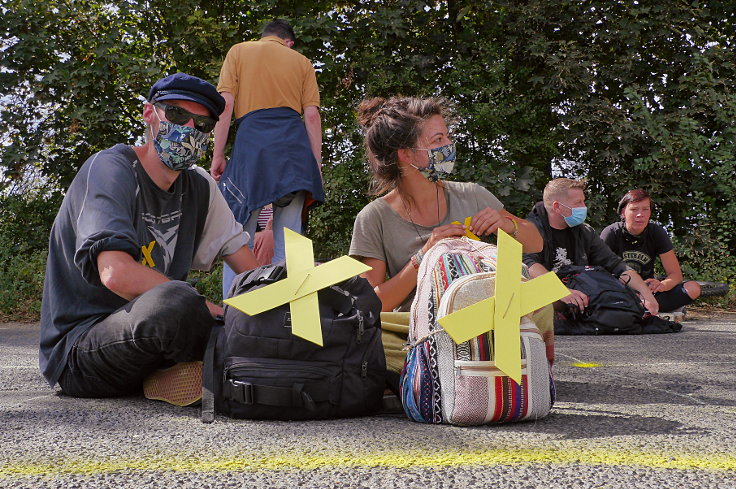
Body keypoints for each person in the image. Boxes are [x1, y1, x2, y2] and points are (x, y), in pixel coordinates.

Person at [39, 72, 259, 405]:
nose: (187, 129)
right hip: (81, 350)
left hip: (156, 336)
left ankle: (175, 375)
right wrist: (220, 316)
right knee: (176, 301)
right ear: (149, 114)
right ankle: (208, 368)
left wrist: (279, 308)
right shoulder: (110, 169)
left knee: (251, 321)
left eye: (201, 126)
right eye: (175, 115)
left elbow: (251, 275)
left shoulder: (200, 187)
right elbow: (117, 274)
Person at [348, 96, 546, 382]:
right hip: (420, 330)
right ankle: (479, 366)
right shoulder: (373, 217)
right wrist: (422, 257)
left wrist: (507, 225)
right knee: (371, 338)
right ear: (406, 154)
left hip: (486, 316)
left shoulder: (472, 195)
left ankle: (440, 371)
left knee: (541, 302)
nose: (449, 145)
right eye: (438, 139)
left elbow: (535, 243)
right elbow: (374, 304)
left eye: (447, 136)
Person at [211, 18, 325, 297]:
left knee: (237, 241)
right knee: (292, 245)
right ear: (289, 42)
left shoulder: (239, 51)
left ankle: (233, 319)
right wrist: (316, 167)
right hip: (293, 154)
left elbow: (225, 105)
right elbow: (311, 115)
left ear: (263, 37)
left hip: (253, 151)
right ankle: (289, 322)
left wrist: (218, 153)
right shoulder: (302, 62)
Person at [522, 178, 659, 316]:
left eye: (583, 201)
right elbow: (528, 263)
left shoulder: (585, 232)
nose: (584, 207)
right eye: (578, 203)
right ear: (557, 206)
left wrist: (646, 295)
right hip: (541, 297)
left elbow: (616, 264)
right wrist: (560, 292)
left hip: (580, 297)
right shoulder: (528, 230)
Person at [600, 188, 701, 313]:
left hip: (649, 292)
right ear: (622, 213)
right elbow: (599, 274)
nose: (640, 214)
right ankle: (644, 307)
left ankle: (642, 307)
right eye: (634, 209)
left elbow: (675, 274)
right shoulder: (611, 233)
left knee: (693, 288)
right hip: (619, 291)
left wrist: (662, 285)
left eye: (645, 209)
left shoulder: (657, 232)